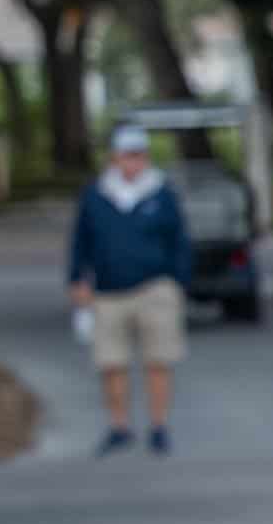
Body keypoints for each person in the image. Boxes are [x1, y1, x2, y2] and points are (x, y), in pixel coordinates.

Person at [68, 123, 194, 457]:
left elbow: (180, 241)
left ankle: (159, 426)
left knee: (158, 360)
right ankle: (119, 426)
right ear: (115, 157)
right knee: (112, 363)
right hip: (108, 292)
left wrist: (178, 282)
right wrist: (77, 280)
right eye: (127, 155)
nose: (133, 162)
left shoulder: (161, 193)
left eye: (139, 155)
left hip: (155, 288)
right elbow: (80, 241)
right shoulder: (96, 194)